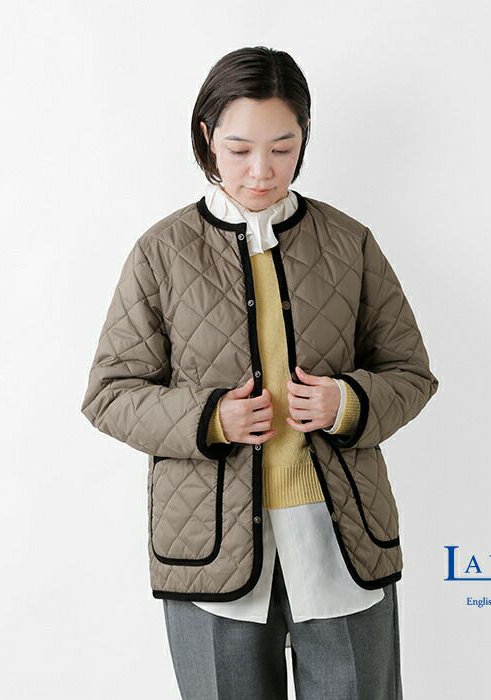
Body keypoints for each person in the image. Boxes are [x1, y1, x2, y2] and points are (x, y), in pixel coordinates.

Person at [80, 46, 438, 700]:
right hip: (209, 548)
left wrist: (347, 403)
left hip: (340, 539)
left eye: (282, 148)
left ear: (305, 137)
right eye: (240, 149)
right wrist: (209, 418)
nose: (261, 170)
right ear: (207, 137)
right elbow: (110, 394)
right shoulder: (161, 252)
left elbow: (410, 372)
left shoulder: (349, 242)